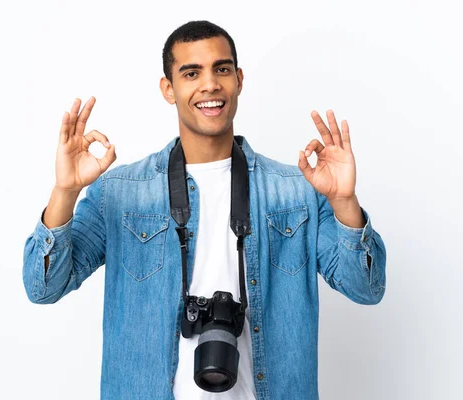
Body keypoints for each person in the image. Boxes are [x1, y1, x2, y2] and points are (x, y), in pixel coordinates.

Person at [22, 20, 387, 400]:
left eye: (222, 69)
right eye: (191, 73)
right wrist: (64, 191)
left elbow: (366, 289)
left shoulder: (297, 191)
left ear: (239, 80)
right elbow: (43, 287)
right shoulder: (121, 192)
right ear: (168, 88)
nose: (210, 84)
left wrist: (344, 201)